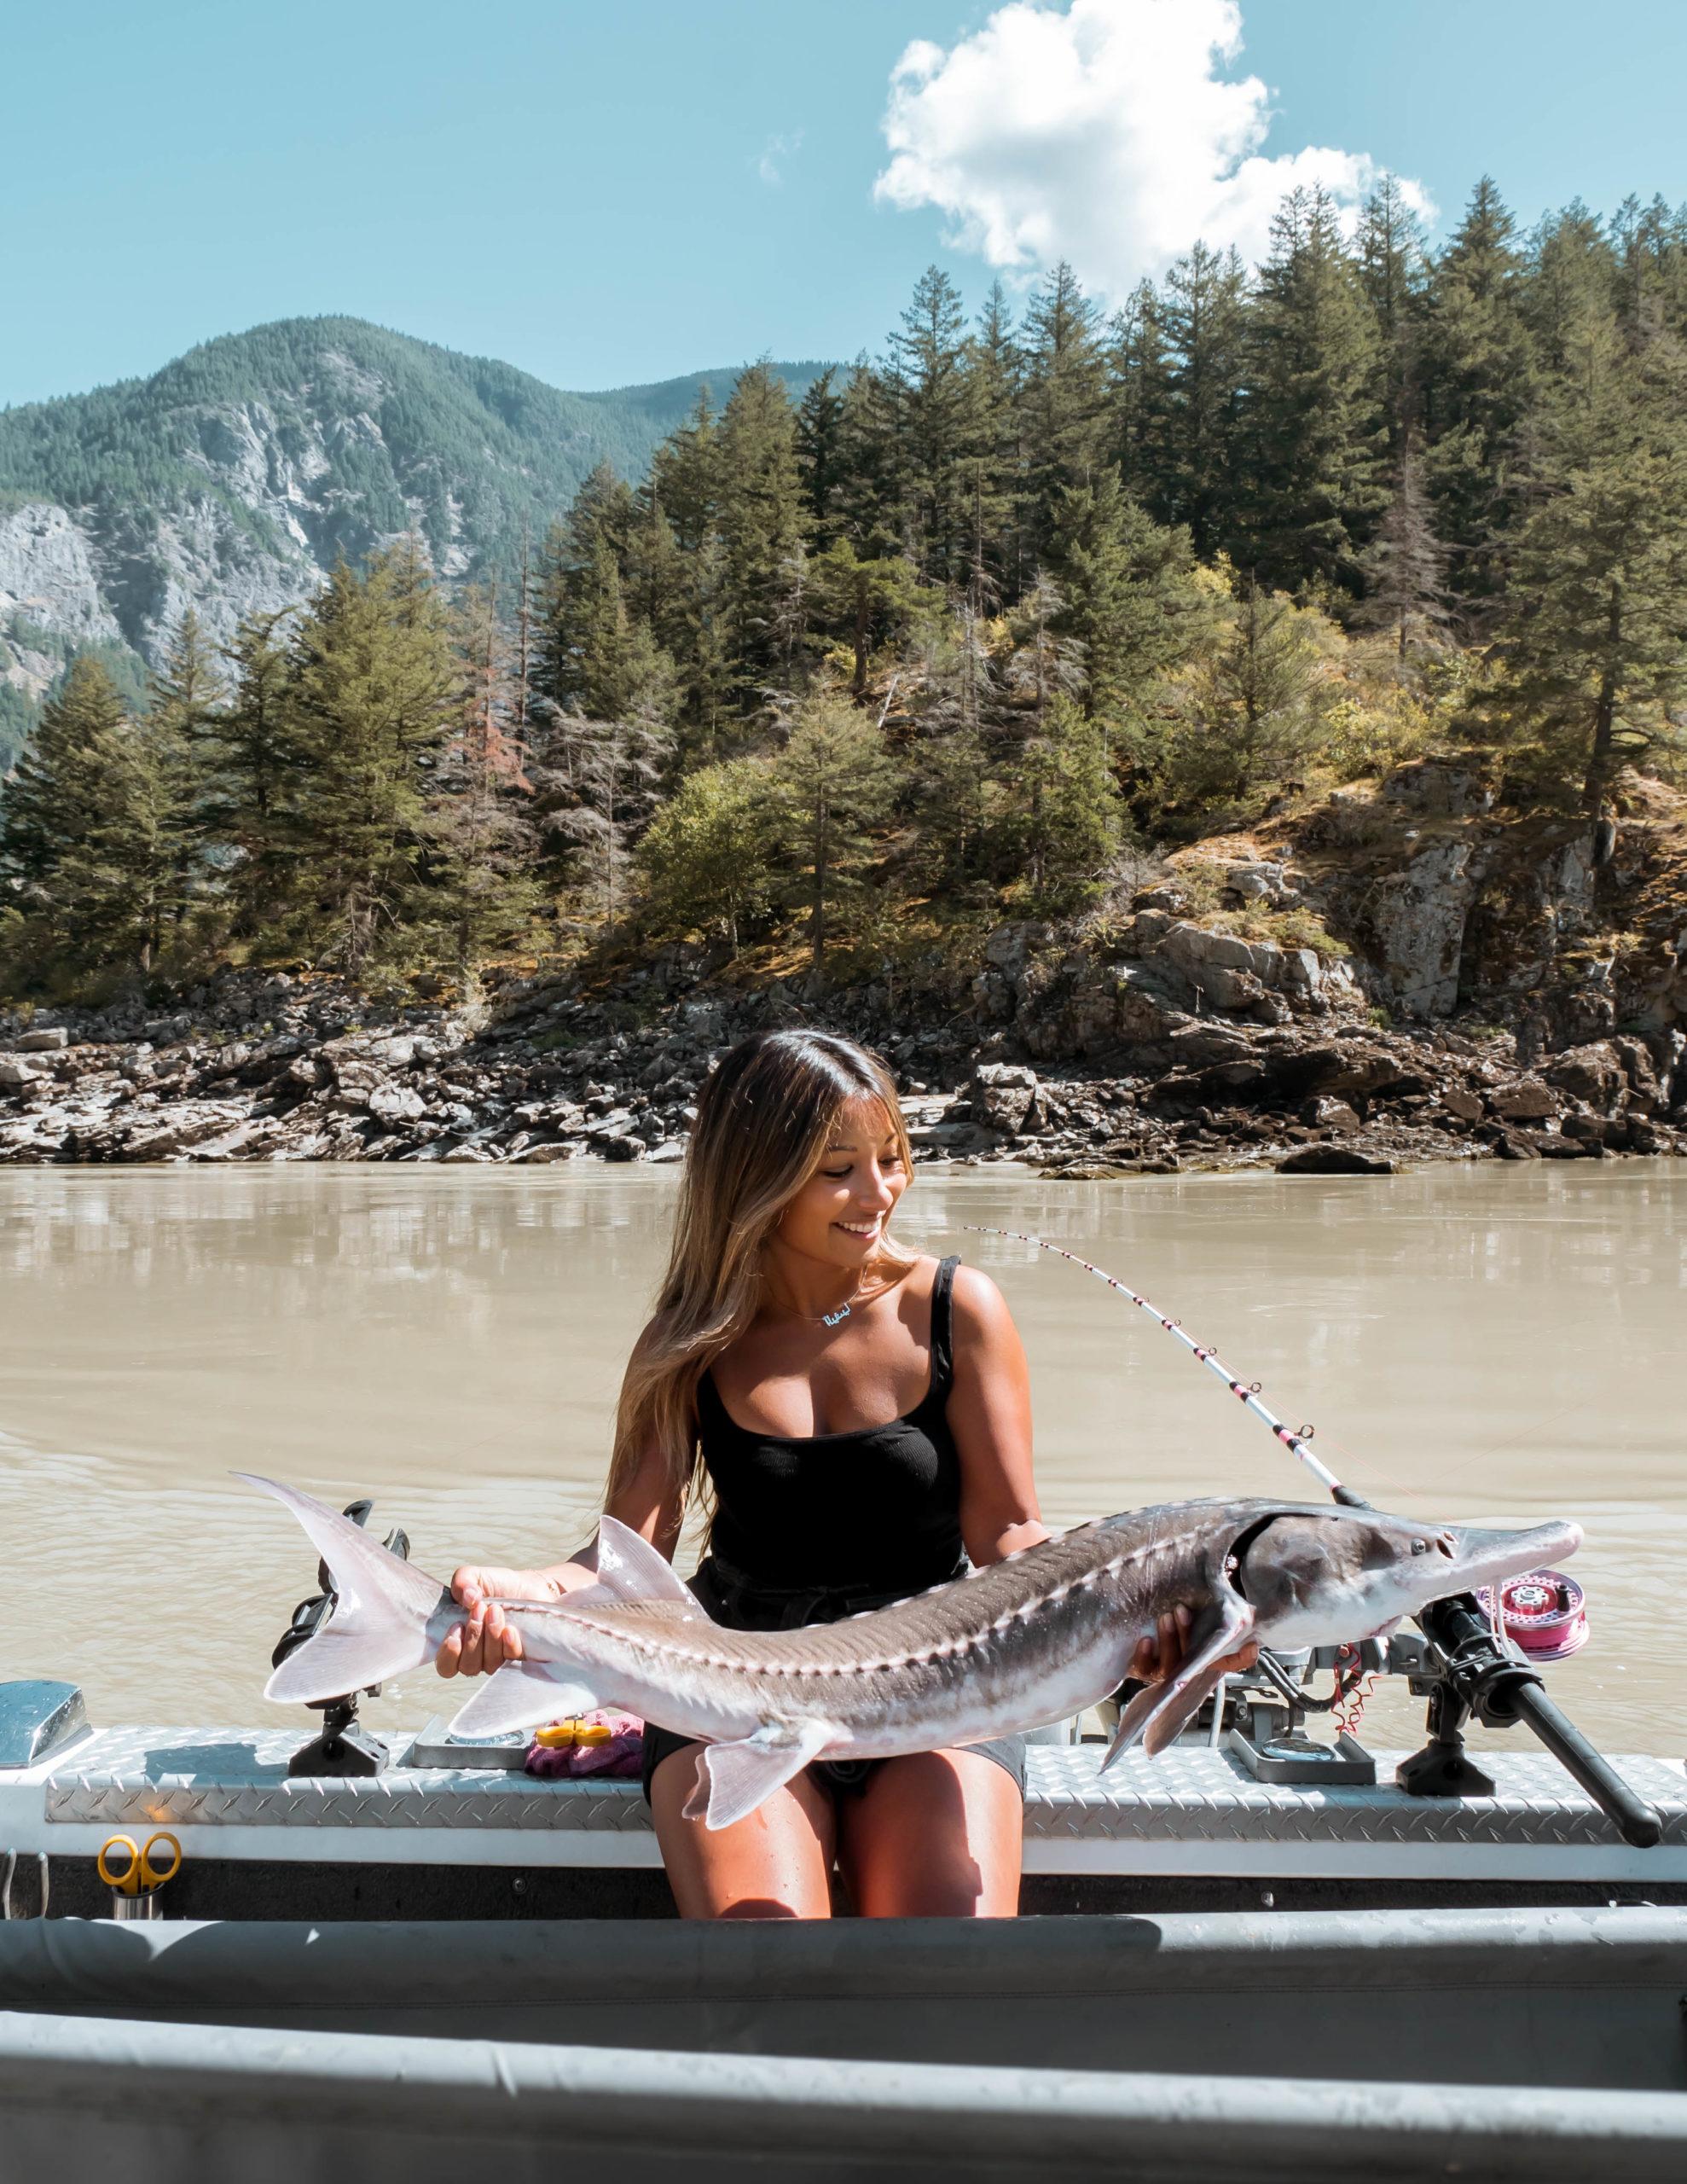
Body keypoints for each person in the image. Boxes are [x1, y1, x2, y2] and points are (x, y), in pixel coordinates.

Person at [435, 1028, 1251, 1919]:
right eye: (837, 1170)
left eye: (892, 1158)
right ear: (755, 1179)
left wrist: (1144, 1606)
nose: (879, 1193)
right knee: (767, 1959)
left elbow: (1011, 1534)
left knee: (944, 1970)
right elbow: (622, 1561)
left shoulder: (954, 1308)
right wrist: (514, 1596)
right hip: (730, 1686)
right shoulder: (685, 1342)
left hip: (946, 1682)